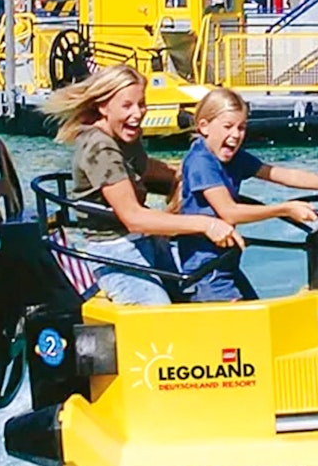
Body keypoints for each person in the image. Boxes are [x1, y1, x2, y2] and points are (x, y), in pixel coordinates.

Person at [44, 65, 244, 306]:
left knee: (197, 282)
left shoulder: (126, 137)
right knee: (156, 308)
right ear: (103, 106)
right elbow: (133, 217)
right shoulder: (101, 149)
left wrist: (190, 173)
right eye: (127, 106)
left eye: (141, 104)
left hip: (145, 240)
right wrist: (207, 224)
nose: (138, 113)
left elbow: (145, 168)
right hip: (114, 249)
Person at [176, 88, 318, 302]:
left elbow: (283, 174)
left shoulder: (233, 158)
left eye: (242, 127)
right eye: (228, 127)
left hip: (226, 262)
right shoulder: (202, 162)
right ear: (204, 126)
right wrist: (283, 209)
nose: (236, 135)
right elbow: (229, 212)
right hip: (207, 271)